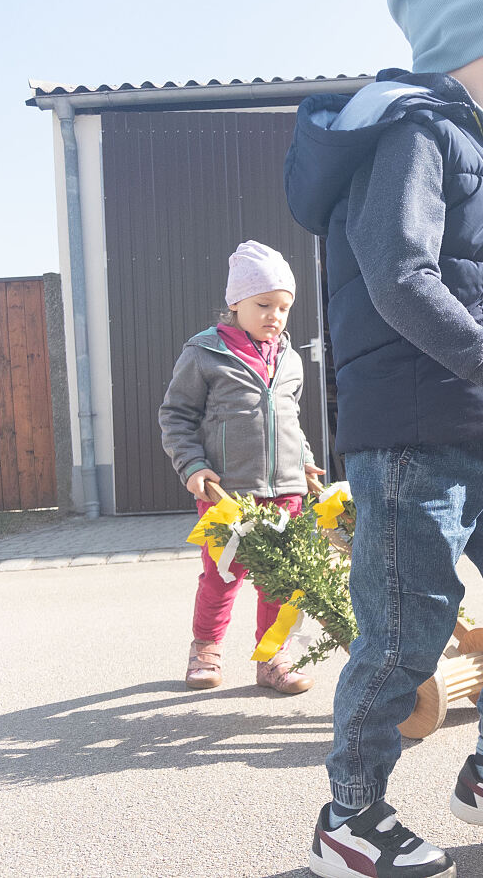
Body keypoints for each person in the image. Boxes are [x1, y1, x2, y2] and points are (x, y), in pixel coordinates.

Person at [284, 0, 483, 876]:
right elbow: (398, 276)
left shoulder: (468, 147)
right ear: (467, 47)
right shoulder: (416, 132)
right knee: (402, 639)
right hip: (416, 444)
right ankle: (350, 816)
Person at [158, 240, 325, 695]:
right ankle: (205, 650)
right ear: (236, 303)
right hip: (228, 494)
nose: (275, 315)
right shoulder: (204, 353)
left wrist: (306, 463)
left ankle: (272, 659)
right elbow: (176, 416)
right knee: (222, 576)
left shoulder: (290, 359)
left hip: (286, 493)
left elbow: (288, 421)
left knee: (281, 582)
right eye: (264, 304)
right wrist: (192, 465)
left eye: (284, 307)